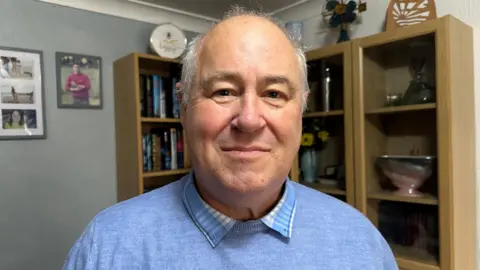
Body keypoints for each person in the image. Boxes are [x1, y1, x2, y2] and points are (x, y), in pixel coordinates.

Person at [62, 6, 398, 270]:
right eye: (224, 91)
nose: (249, 120)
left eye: (274, 93)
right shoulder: (107, 245)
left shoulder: (361, 240)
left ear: (301, 111)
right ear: (183, 108)